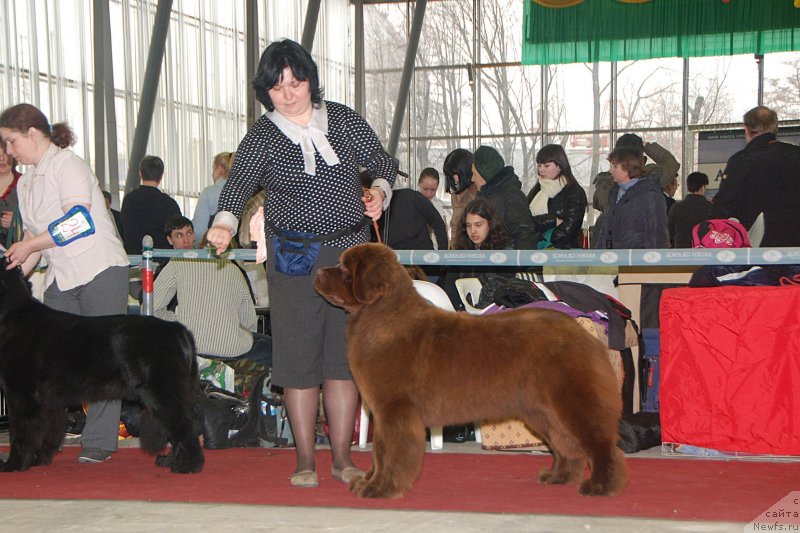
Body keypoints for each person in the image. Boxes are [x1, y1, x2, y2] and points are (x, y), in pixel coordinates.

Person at [206, 39, 398, 488]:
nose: (289, 92)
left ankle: (343, 458)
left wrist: (380, 193)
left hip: (350, 258)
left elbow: (383, 162)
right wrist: (223, 223)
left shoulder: (345, 119)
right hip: (294, 260)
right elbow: (237, 188)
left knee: (343, 361)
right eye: (277, 87)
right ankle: (305, 459)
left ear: (311, 79)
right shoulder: (262, 135)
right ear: (265, 93)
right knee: (298, 363)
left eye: (296, 81)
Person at [0, 103, 130, 464]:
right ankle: (45, 441)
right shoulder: (26, 185)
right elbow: (32, 244)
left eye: (11, 142)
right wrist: (11, 272)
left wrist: (29, 244)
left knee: (103, 359)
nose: (8, 152)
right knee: (49, 364)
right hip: (61, 275)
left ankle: (101, 441)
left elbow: (79, 222)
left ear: (31, 134)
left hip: (99, 268)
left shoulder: (68, 165)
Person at [153, 240, 272, 371]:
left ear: (201, 245)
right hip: (230, 350)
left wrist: (179, 322)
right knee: (274, 349)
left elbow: (153, 307)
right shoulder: (235, 272)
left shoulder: (178, 262)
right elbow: (248, 323)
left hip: (187, 346)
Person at [710, 106, 800, 247]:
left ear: (746, 129)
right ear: (775, 128)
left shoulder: (742, 160)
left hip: (761, 246)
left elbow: (725, 204)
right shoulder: (796, 154)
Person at [441, 197, 512, 310]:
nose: (472, 231)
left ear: (491, 224)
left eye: (478, 225)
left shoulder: (503, 254)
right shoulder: (460, 252)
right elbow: (450, 291)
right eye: (468, 225)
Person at [593, 146, 669, 249]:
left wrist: (652, 262)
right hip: (612, 261)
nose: (610, 171)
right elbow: (605, 232)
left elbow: (657, 236)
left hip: (638, 262)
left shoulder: (650, 196)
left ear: (629, 167)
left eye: (615, 166)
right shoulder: (614, 193)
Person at [470, 145, 538, 250]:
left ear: (484, 174)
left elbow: (524, 235)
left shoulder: (511, 196)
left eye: (474, 174)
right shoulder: (483, 197)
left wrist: (523, 264)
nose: (472, 179)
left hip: (507, 263)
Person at [526, 144, 588, 249]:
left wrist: (540, 237)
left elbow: (569, 230)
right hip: (535, 253)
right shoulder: (537, 190)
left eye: (546, 166)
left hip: (562, 256)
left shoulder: (574, 192)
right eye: (539, 165)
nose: (541, 170)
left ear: (559, 166)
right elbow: (525, 223)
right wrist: (552, 221)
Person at [121, 155, 181, 254]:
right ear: (161, 176)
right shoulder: (169, 204)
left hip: (133, 260)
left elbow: (124, 229)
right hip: (163, 262)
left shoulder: (129, 200)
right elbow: (178, 232)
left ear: (140, 173)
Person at [377, 188, 448, 251]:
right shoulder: (374, 210)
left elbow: (437, 222)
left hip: (421, 257)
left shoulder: (411, 196)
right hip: (394, 258)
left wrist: (442, 255)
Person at [192, 151, 235, 246]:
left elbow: (199, 231)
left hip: (216, 250)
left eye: (213, 170)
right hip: (246, 254)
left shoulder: (208, 192)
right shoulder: (247, 192)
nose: (212, 174)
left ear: (219, 168)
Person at [443, 148, 478, 245]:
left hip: (473, 247)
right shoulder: (455, 195)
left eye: (455, 173)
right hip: (457, 245)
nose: (454, 178)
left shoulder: (477, 192)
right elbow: (454, 224)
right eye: (451, 174)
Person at [667, 172, 712, 248]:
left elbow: (669, 233)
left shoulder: (676, 207)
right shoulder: (711, 208)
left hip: (680, 253)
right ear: (702, 188)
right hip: (704, 253)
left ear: (688, 188)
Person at [417, 167, 449, 247]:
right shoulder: (410, 204)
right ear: (419, 184)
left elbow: (444, 235)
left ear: (437, 187)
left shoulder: (439, 209)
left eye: (433, 190)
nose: (429, 194)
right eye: (425, 189)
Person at [0, 143, 21, 246]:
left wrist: (18, 221)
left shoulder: (27, 184)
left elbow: (42, 221)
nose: (1, 158)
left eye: (5, 152)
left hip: (22, 256)